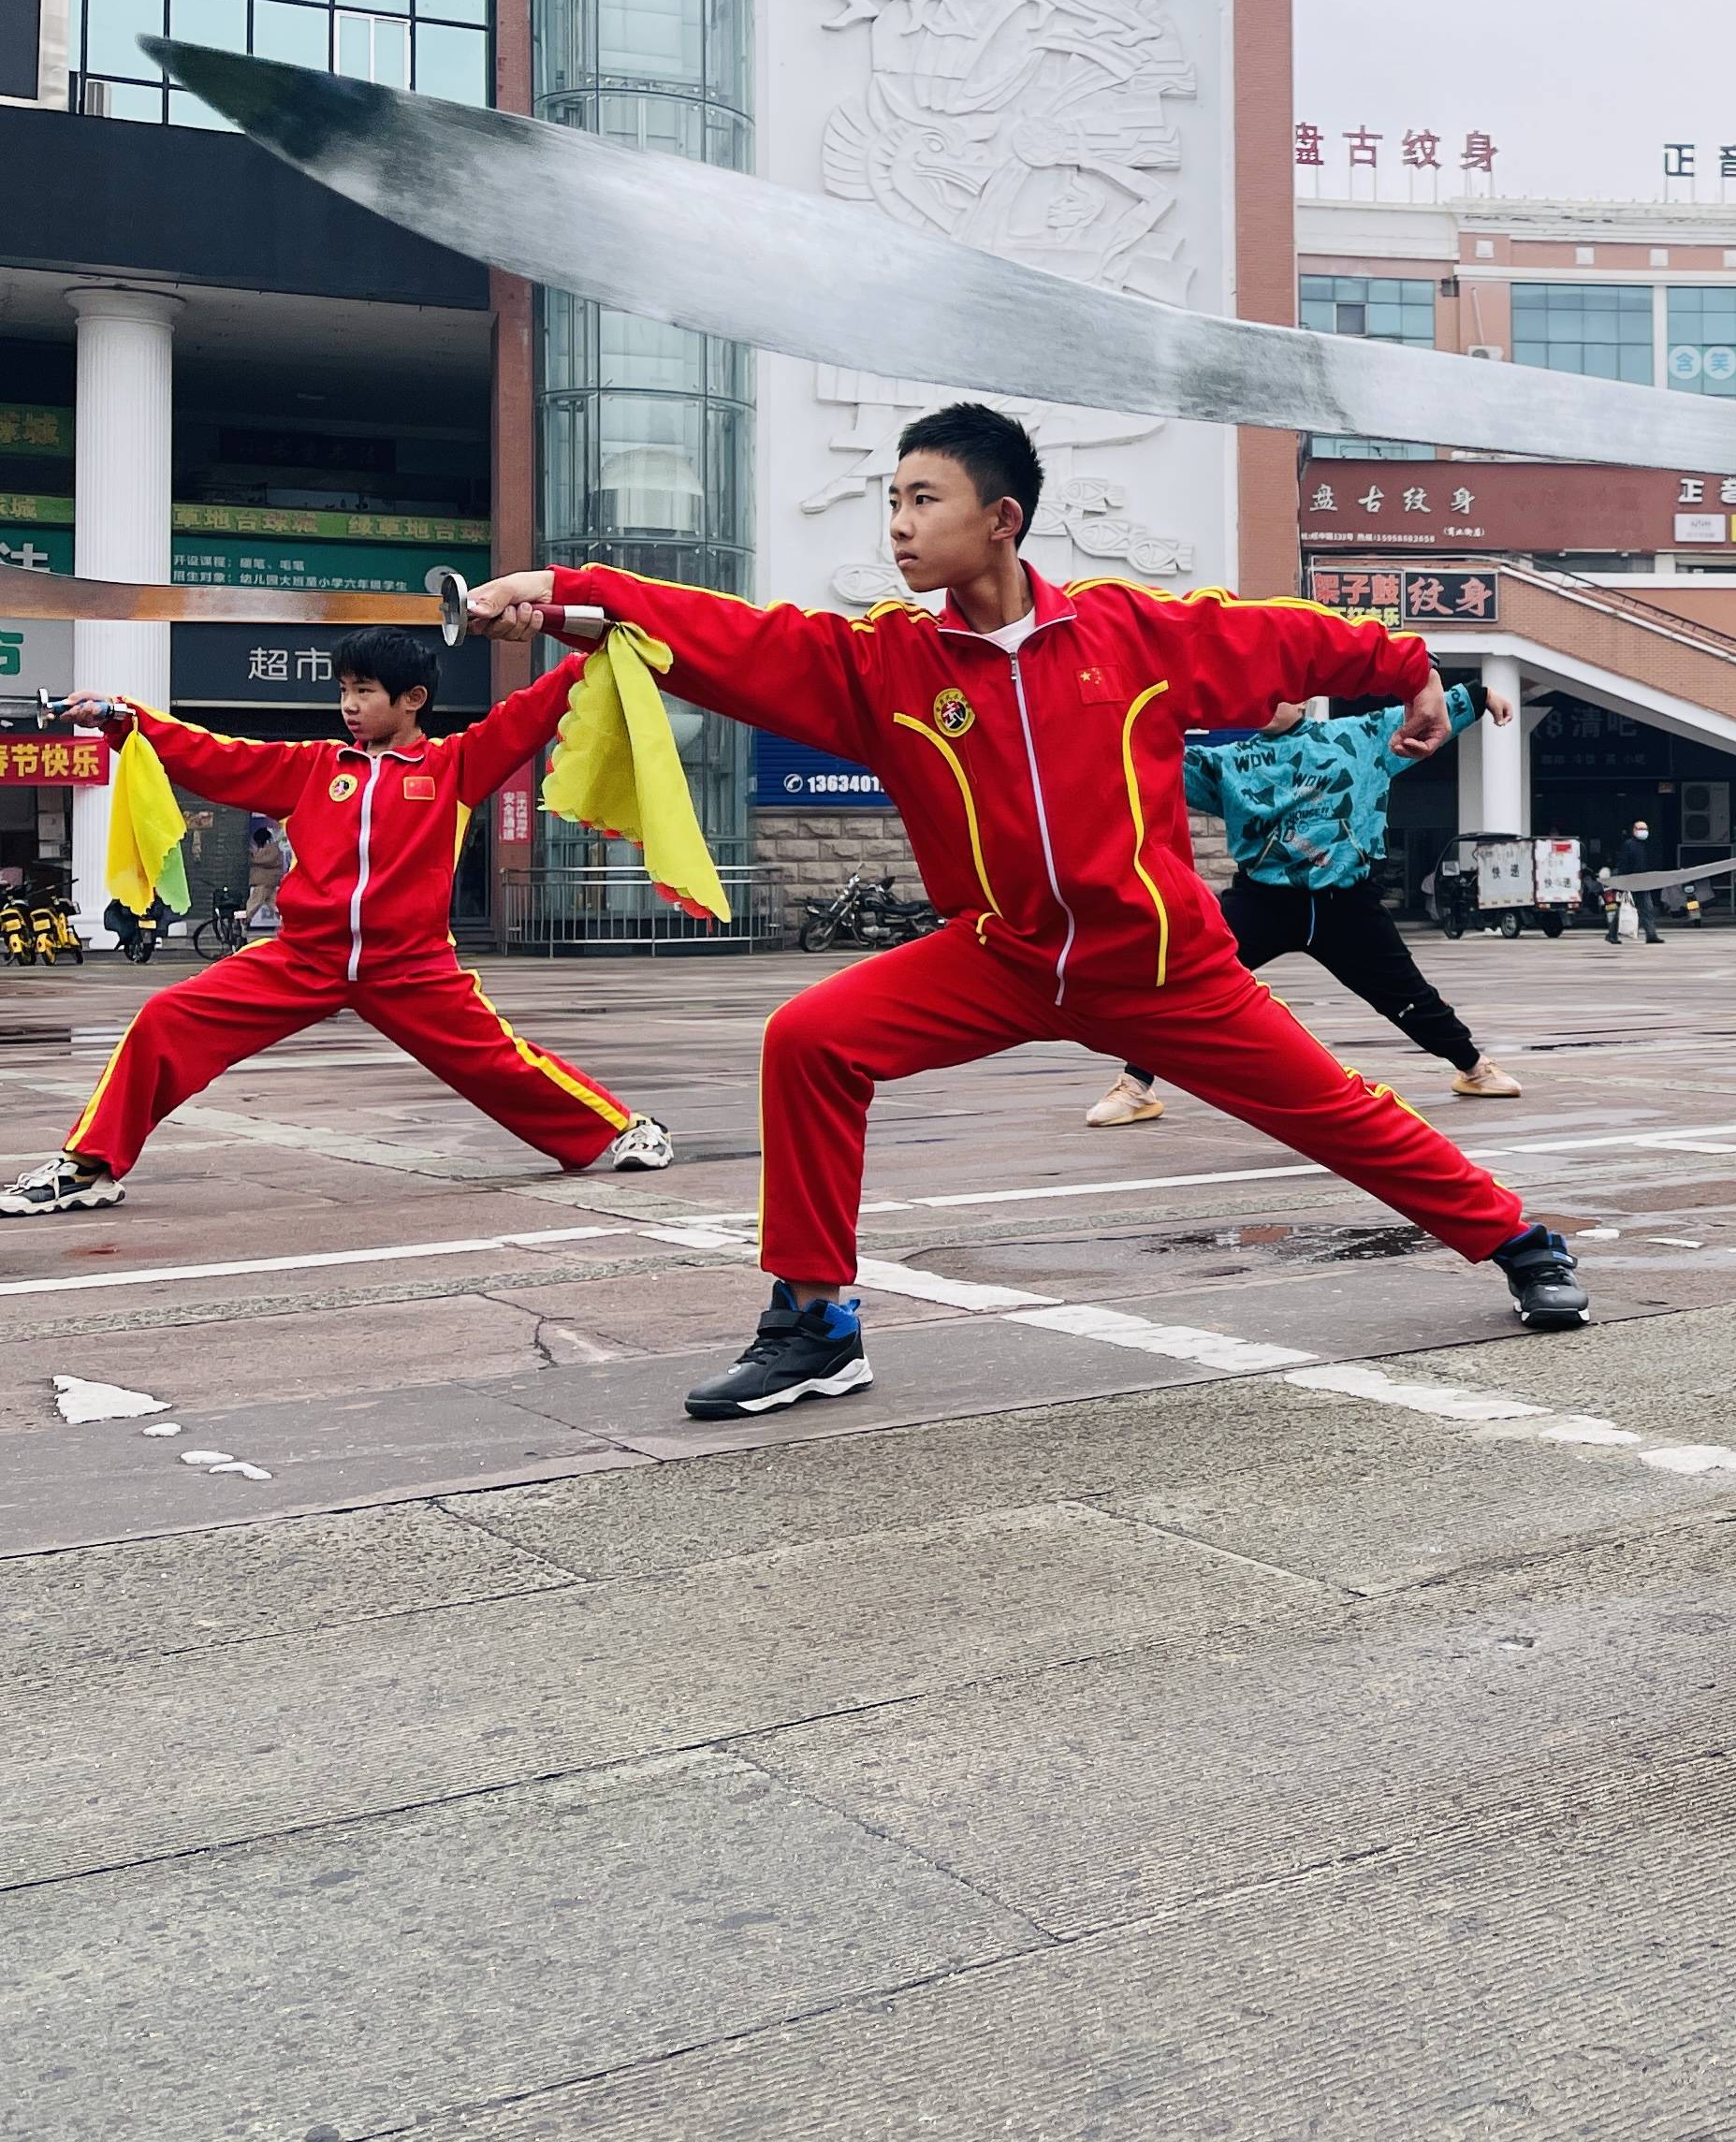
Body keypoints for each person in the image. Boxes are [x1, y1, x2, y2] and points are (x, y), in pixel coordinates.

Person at [459, 401, 1583, 1421]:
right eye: (889, 501)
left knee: (1334, 1108)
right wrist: (562, 598)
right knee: (809, 1041)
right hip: (999, 956)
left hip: (1160, 964)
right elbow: (735, 640)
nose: (897, 525)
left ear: (1001, 520)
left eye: (921, 500)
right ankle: (814, 1323)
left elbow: (1280, 637)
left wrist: (1409, 669)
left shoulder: (1130, 634)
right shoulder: (884, 664)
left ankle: (1519, 1241)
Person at [0, 634, 669, 1217]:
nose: (349, 704)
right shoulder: (314, 767)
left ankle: (624, 1128)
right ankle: (89, 1167)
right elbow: (215, 757)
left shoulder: (456, 765)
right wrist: (123, 719)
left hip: (410, 967)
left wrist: (593, 647)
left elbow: (530, 712)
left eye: (364, 690)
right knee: (166, 1021)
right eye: (344, 690)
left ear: (412, 699)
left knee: (498, 1063)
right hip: (302, 958)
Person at [1088, 682, 1526, 1126]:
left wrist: (1480, 694)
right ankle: (1135, 1086)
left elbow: (1423, 715)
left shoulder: (1359, 737)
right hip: (1262, 902)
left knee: (1406, 995)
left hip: (1347, 905)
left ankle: (1473, 1067)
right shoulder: (1224, 761)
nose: (1264, 702)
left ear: (1301, 700)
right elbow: (1146, 762)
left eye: (1276, 693)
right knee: (1188, 981)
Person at [1602, 817, 1668, 945]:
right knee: (1623, 908)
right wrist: (1623, 882)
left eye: (1645, 829)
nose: (1643, 831)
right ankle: (1612, 935)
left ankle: (1651, 935)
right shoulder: (1629, 845)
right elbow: (1624, 864)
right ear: (1634, 830)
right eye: (1640, 828)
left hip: (1643, 881)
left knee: (1647, 908)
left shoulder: (1648, 845)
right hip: (1630, 881)